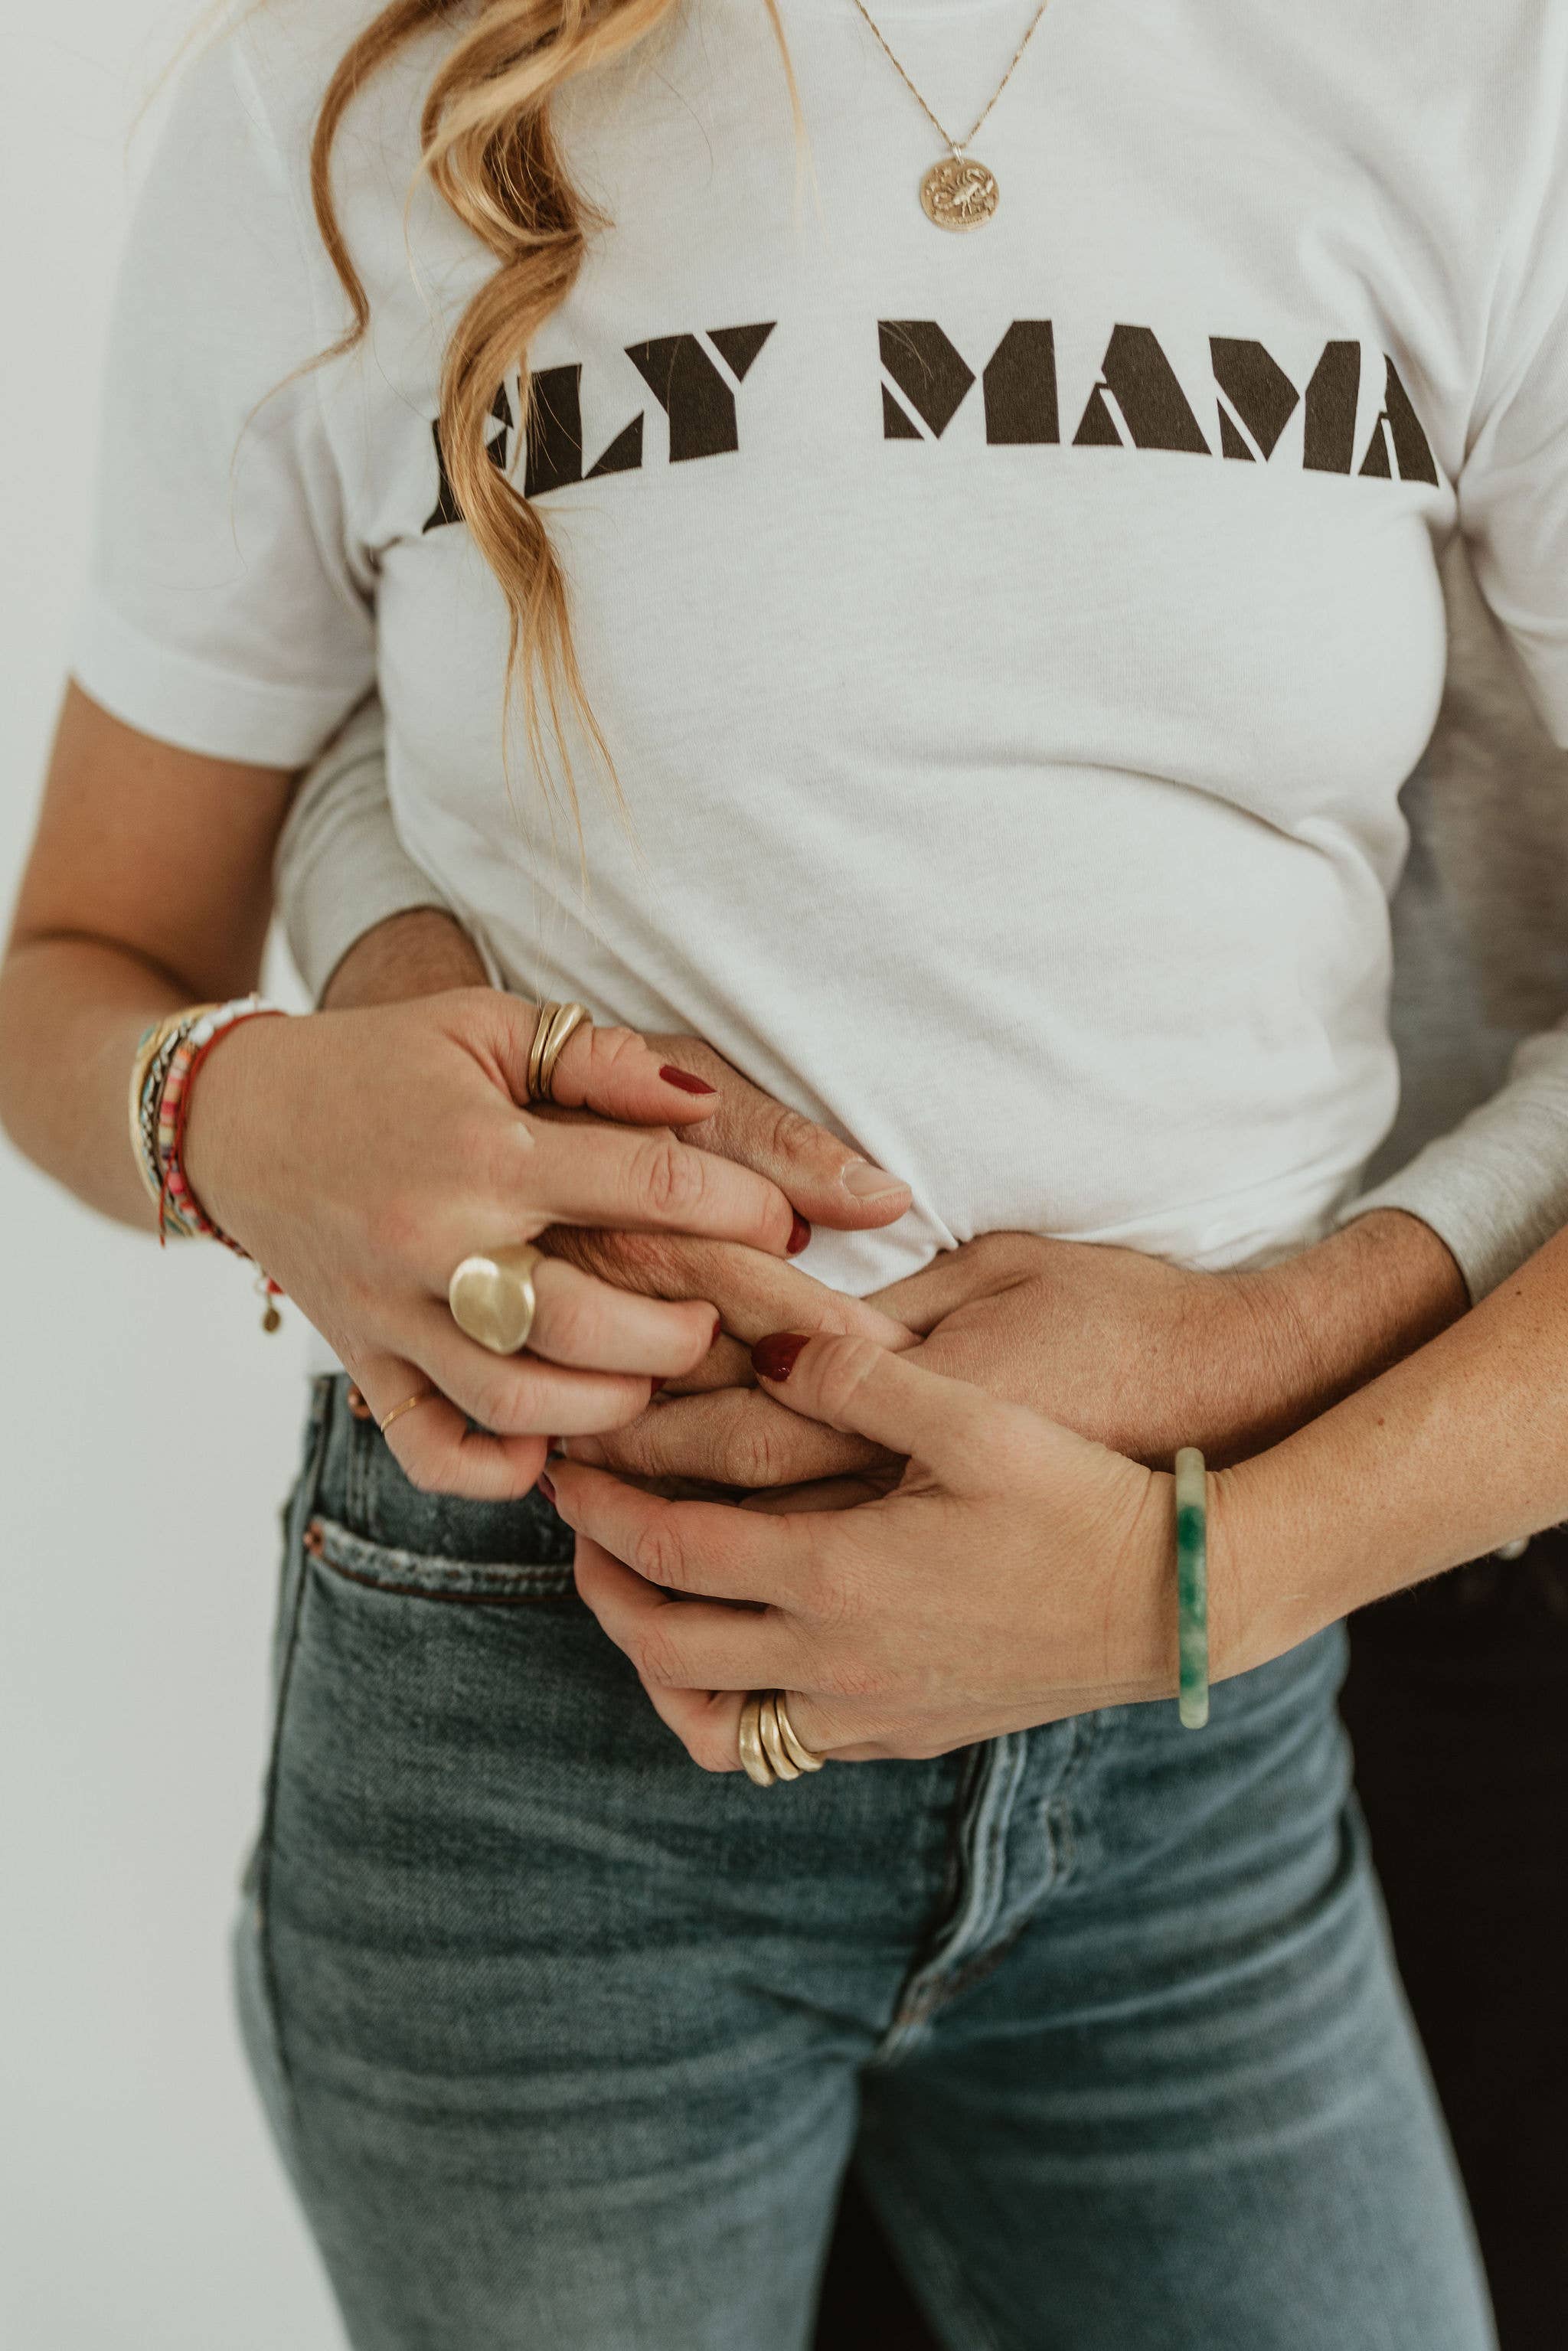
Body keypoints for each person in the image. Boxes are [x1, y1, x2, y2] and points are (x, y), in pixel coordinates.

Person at [5, 0, 1568, 2341]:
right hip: (538, 1715)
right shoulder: (341, 91)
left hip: (1208, 1762)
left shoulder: (1472, 74)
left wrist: (1214, 1483)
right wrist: (240, 1120)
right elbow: (81, 966)